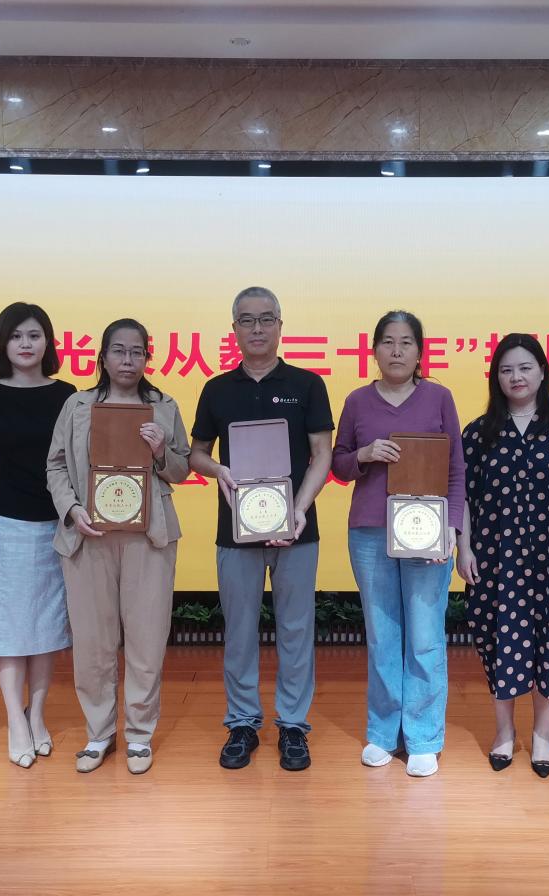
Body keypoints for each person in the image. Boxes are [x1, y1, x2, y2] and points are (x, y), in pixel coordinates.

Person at [189, 286, 334, 772]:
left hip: (297, 528)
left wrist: (299, 508)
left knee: (296, 629)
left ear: (280, 326)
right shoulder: (217, 389)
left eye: (266, 319)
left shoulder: (307, 384)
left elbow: (322, 454)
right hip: (236, 529)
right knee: (239, 630)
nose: (257, 328)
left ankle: (293, 725)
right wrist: (217, 470)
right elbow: (196, 453)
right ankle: (242, 723)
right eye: (247, 320)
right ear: (234, 328)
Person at [46, 318, 191, 775]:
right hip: (89, 535)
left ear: (147, 358)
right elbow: (55, 466)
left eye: (137, 352)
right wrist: (72, 509)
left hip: (150, 537)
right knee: (93, 640)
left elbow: (182, 470)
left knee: (147, 638)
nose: (128, 360)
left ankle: (140, 735)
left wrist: (162, 451)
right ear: (103, 357)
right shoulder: (77, 405)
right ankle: (99, 732)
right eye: (119, 351)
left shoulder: (163, 406)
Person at [458, 333, 549, 776]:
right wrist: (464, 547)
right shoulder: (478, 432)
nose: (516, 377)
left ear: (543, 371)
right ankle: (504, 733)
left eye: (524, 367)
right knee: (499, 641)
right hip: (495, 559)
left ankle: (542, 735)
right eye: (506, 370)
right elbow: (462, 497)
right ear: (495, 377)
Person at [331, 310, 465, 777]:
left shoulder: (439, 398)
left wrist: (451, 527)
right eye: (388, 342)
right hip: (370, 531)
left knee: (425, 635)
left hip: (427, 531)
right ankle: (384, 733)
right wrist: (364, 455)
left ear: (420, 351)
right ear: (374, 350)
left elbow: (456, 469)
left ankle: (424, 736)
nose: (396, 351)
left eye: (406, 342)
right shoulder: (357, 401)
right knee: (382, 635)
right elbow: (339, 464)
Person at [0, 303, 76, 769]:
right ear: (2, 344)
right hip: (4, 525)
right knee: (9, 629)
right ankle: (15, 719)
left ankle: (38, 715)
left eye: (34, 335)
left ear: (48, 342)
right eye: (16, 336)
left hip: (58, 525)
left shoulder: (67, 395)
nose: (26, 344)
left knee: (48, 627)